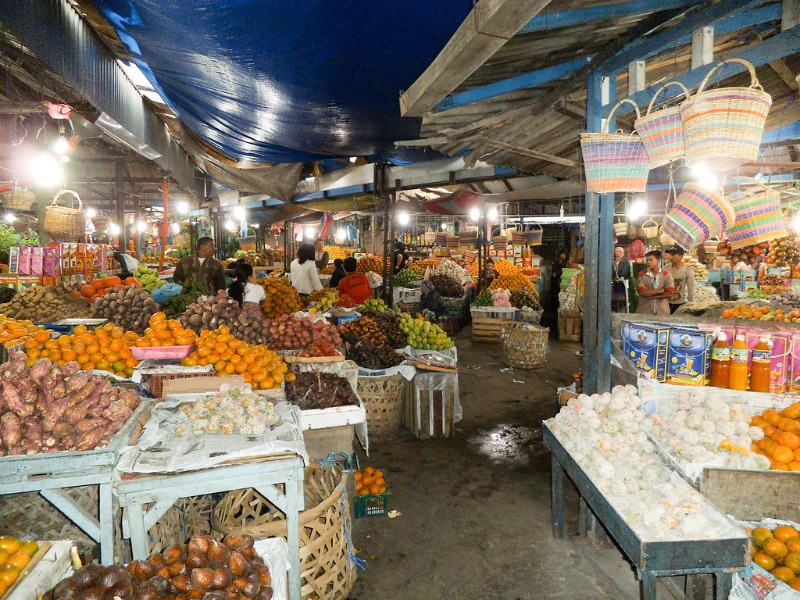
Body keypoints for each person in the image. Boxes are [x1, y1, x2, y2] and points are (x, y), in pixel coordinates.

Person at [636, 250, 674, 316]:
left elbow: (670, 293)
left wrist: (652, 296)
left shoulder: (667, 275)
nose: (648, 262)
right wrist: (660, 291)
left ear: (658, 261)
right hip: (644, 311)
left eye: (651, 260)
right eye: (647, 260)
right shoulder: (642, 275)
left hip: (662, 311)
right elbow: (642, 292)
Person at [664, 246, 695, 314]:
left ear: (681, 256)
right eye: (670, 254)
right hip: (665, 303)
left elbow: (691, 289)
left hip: (679, 303)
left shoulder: (688, 270)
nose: (671, 257)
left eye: (673, 255)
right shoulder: (665, 268)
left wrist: (691, 305)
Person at [612, 246, 631, 312]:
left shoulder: (625, 262)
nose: (617, 253)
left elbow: (624, 272)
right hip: (615, 283)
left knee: (622, 297)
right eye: (616, 252)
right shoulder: (613, 261)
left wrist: (619, 277)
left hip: (622, 284)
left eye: (619, 252)